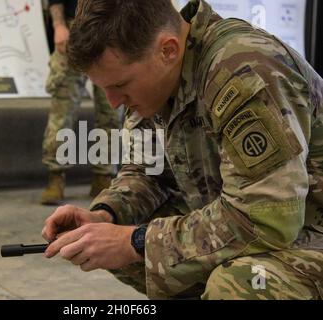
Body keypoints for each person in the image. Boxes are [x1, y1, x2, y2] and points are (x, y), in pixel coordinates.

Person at [41, 0, 323, 299]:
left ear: (168, 50)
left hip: (307, 232)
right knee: (106, 237)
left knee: (239, 285)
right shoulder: (154, 81)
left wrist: (136, 242)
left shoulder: (243, 68)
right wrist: (104, 216)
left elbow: (267, 217)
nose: (112, 102)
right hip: (261, 224)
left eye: (120, 85)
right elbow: (146, 171)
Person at [41, 0, 120, 205]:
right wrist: (58, 26)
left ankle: (104, 176)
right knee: (62, 112)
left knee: (111, 112)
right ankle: (55, 176)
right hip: (72, 28)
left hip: (110, 30)